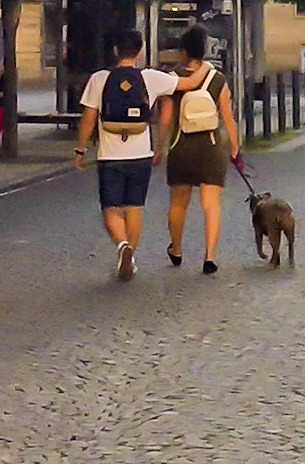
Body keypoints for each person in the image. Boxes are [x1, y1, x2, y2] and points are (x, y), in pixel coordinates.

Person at [74, 29, 181, 281]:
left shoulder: (99, 79)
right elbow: (185, 84)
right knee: (133, 206)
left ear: (115, 50)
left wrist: (80, 149)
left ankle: (122, 246)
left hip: (110, 154)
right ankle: (130, 256)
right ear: (140, 51)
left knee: (111, 208)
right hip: (140, 153)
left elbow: (88, 118)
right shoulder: (150, 78)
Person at [159, 26, 241, 275]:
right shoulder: (218, 79)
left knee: (178, 203)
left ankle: (177, 248)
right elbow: (227, 117)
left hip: (181, 146)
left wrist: (158, 147)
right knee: (211, 203)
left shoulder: (173, 79)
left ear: (183, 51)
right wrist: (235, 149)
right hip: (211, 147)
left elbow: (165, 118)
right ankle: (209, 256)